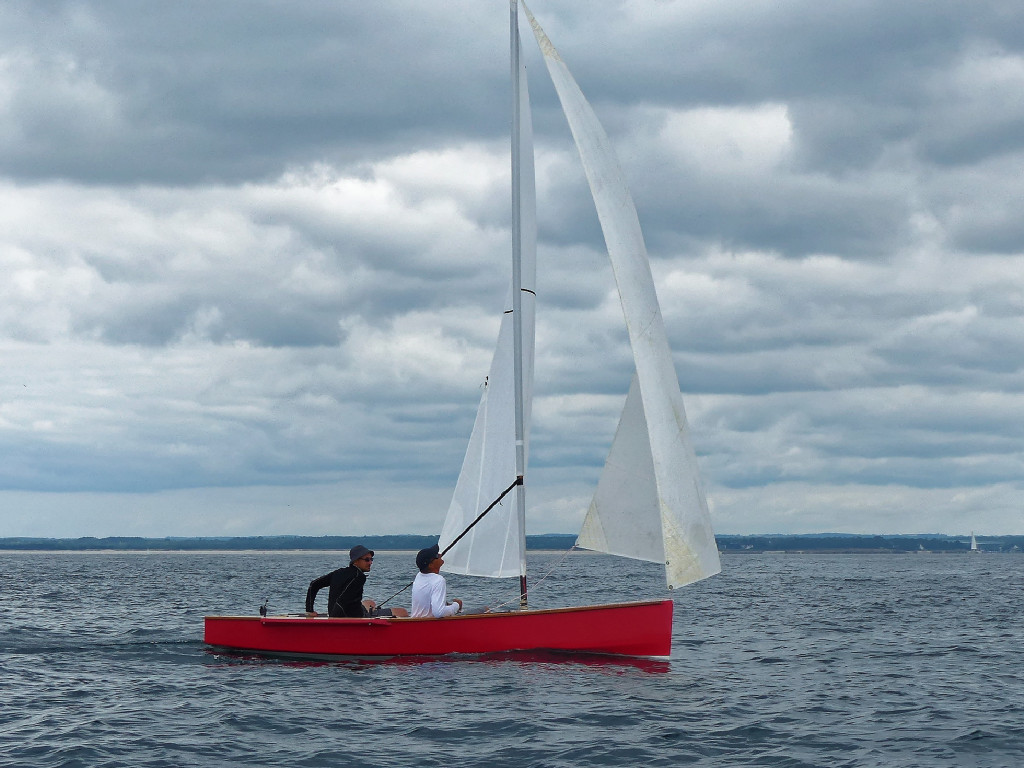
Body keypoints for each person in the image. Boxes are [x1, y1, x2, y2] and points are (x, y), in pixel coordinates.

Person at [305, 545, 409, 618]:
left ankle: (370, 610)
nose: (370, 562)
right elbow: (342, 601)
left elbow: (314, 585)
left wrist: (309, 610)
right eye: (367, 560)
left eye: (371, 559)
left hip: (345, 612)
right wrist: (334, 620)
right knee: (403, 612)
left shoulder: (338, 572)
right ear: (356, 561)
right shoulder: (359, 577)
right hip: (355, 617)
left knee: (370, 602)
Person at [410, 544, 463, 618]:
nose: (440, 555)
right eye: (437, 555)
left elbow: (428, 601)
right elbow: (439, 613)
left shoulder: (419, 576)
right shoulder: (438, 580)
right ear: (431, 565)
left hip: (417, 622)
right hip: (429, 625)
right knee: (484, 609)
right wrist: (457, 605)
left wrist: (447, 604)